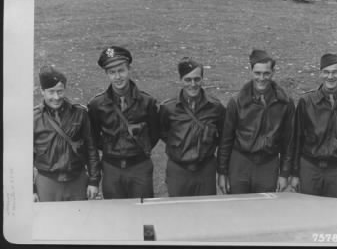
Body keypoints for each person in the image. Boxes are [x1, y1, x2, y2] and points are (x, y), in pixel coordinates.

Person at [217, 49, 295, 194]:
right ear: (251, 71)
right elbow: (226, 140)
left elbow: (288, 141)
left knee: (264, 210)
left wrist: (284, 174)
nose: (261, 78)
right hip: (240, 162)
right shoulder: (237, 102)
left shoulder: (285, 103)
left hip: (268, 163)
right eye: (257, 73)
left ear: (273, 73)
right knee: (238, 209)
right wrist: (222, 172)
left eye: (266, 73)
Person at [88, 46, 159, 199]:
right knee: (115, 216)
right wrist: (110, 147)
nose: (117, 77)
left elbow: (154, 134)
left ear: (129, 69)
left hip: (139, 166)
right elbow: (93, 137)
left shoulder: (147, 102)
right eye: (112, 72)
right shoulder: (97, 105)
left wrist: (137, 147)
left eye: (121, 70)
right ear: (107, 74)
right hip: (111, 168)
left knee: (143, 214)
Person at [290, 53, 337, 198]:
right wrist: (295, 173)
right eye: (326, 72)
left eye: (335, 72)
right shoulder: (306, 101)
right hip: (309, 167)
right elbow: (296, 139)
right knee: (308, 212)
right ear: (320, 74)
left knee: (334, 214)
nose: (330, 77)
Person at [159, 57, 225, 197]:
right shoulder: (168, 108)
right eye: (188, 80)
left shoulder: (215, 107)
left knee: (206, 212)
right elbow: (161, 132)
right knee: (179, 212)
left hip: (205, 170)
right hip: (178, 170)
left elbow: (222, 136)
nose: (193, 84)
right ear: (181, 80)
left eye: (197, 79)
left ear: (202, 79)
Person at [33, 65, 100, 202]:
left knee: (79, 221)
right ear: (42, 91)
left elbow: (91, 149)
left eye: (60, 91)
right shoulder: (33, 118)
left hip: (77, 179)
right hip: (47, 181)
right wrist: (31, 190)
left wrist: (93, 181)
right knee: (49, 221)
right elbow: (25, 157)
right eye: (51, 92)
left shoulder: (80, 114)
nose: (56, 97)